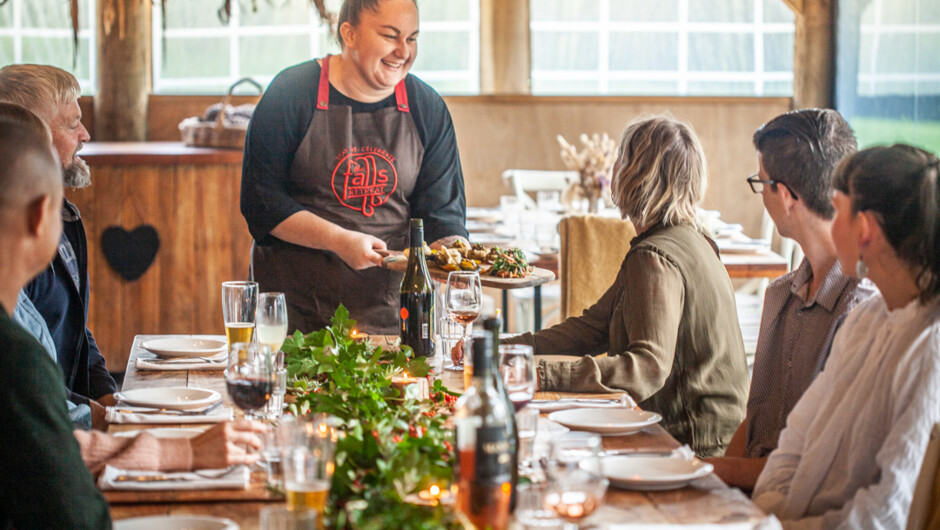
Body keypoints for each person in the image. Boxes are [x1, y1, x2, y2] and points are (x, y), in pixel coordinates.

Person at [0, 120, 265, 529]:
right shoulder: (15, 359)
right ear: (40, 217)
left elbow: (51, 452)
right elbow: (81, 519)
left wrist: (178, 453)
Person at [499, 116, 748, 457]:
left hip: (690, 447)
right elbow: (591, 329)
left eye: (620, 158)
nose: (613, 167)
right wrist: (504, 349)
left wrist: (537, 372)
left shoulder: (655, 256)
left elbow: (645, 369)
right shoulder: (685, 240)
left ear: (635, 175)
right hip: (702, 436)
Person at [241, 0, 468, 335]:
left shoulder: (426, 107)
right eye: (390, 36)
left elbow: (442, 214)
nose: (403, 51)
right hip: (294, 324)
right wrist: (339, 240)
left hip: (394, 323)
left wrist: (455, 258)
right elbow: (261, 203)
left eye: (412, 38)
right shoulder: (290, 94)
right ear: (348, 33)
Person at [752, 144, 940, 528]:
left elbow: (888, 510)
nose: (829, 222)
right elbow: (796, 438)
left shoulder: (929, 347)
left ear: (865, 229)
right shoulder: (868, 319)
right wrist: (772, 511)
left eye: (837, 210)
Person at [708, 109, 876, 489]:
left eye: (760, 182)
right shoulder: (780, 294)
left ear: (783, 195)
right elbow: (756, 424)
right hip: (745, 496)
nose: (761, 193)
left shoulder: (860, 312)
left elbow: (816, 469)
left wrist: (701, 470)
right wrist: (711, 486)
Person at [0, 64, 117, 422]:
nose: (84, 134)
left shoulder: (64, 215)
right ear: (29, 136)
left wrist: (109, 397)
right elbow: (24, 379)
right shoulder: (16, 237)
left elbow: (76, 329)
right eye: (71, 124)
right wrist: (98, 420)